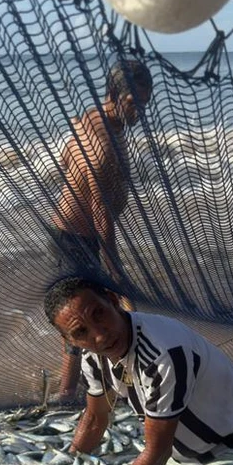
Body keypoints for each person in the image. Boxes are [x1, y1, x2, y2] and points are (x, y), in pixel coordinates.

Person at [43, 276, 233, 465]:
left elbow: (157, 451)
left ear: (113, 301)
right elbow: (95, 418)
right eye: (81, 332)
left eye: (99, 314)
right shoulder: (93, 357)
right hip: (182, 456)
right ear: (69, 341)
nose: (100, 336)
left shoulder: (163, 352)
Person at [51, 60, 153, 404]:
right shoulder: (103, 145)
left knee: (92, 314)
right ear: (114, 94)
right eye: (133, 104)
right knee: (84, 315)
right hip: (79, 240)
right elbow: (100, 213)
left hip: (71, 235)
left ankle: (86, 383)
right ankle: (66, 392)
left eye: (144, 104)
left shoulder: (87, 119)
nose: (139, 113)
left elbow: (65, 160)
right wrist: (114, 268)